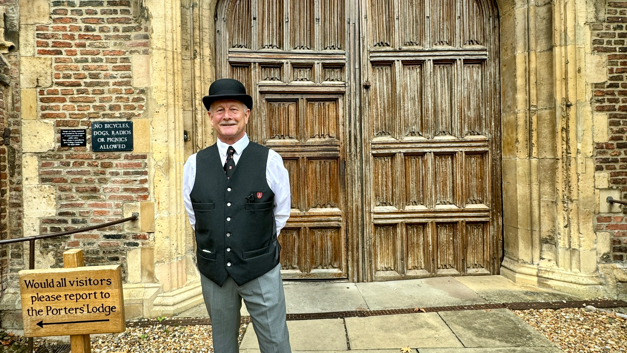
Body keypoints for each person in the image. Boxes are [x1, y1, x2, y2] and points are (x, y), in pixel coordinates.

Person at [182, 78, 292, 353]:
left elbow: (281, 213)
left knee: (275, 342)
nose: (227, 116)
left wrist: (254, 246)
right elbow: (194, 215)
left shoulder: (270, 160)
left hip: (260, 269)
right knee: (223, 345)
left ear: (247, 114)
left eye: (234, 108)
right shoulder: (194, 164)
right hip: (214, 271)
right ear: (210, 118)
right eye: (219, 110)